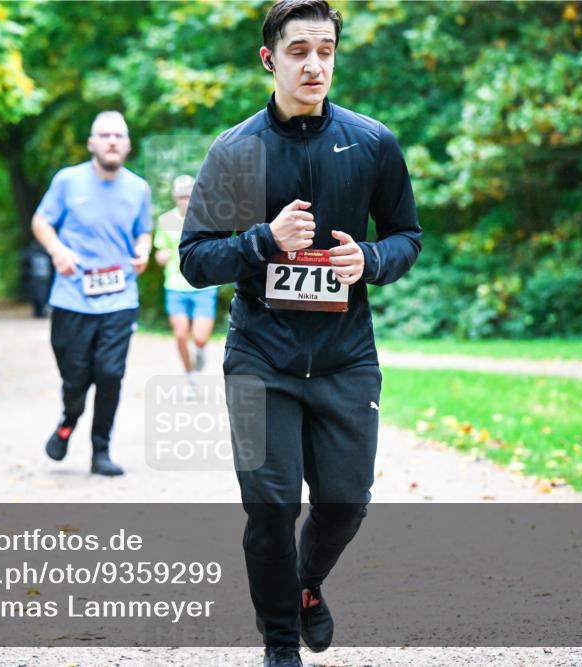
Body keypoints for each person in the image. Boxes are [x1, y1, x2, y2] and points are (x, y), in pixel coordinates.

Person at [179, 1, 422, 665]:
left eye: (325, 51)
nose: (314, 65)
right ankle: (280, 642)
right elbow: (195, 259)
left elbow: (407, 235)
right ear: (269, 59)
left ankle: (306, 582)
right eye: (298, 51)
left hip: (346, 358)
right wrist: (263, 240)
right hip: (261, 356)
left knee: (345, 504)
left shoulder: (372, 143)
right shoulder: (236, 151)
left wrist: (369, 260)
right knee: (270, 509)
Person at [31, 110, 152, 477]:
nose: (112, 141)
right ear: (91, 143)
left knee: (110, 374)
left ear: (127, 144)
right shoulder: (67, 181)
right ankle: (69, 419)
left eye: (119, 135)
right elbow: (41, 221)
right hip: (71, 298)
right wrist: (57, 251)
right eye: (105, 135)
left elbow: (143, 231)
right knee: (76, 379)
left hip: (120, 297)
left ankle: (101, 451)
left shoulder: (139, 188)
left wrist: (143, 250)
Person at [153, 175, 218, 380]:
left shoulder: (207, 219)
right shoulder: (166, 220)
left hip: (203, 286)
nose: (185, 200)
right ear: (174, 196)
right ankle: (190, 375)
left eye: (189, 196)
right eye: (181, 196)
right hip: (175, 285)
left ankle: (200, 350)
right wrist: (161, 256)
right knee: (181, 334)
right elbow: (160, 249)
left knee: (199, 338)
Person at [21, 239, 53, 318]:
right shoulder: (44, 253)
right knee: (38, 295)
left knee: (41, 295)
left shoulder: (31, 253)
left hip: (41, 278)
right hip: (38, 278)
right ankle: (39, 311)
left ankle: (41, 311)